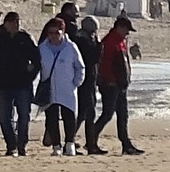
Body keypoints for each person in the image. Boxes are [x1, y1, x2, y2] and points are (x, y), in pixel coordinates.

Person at [0, 12, 40, 156]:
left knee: (24, 116)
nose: (15, 24)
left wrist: (31, 76)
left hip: (23, 84)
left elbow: (37, 59)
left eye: (17, 22)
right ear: (6, 24)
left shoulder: (25, 38)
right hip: (3, 85)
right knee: (4, 117)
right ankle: (11, 145)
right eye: (12, 22)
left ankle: (21, 145)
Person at [87, 16, 141, 155]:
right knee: (107, 114)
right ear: (119, 28)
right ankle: (91, 141)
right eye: (126, 30)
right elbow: (103, 64)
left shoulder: (121, 41)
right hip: (110, 84)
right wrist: (107, 80)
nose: (128, 33)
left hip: (120, 84)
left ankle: (126, 144)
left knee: (123, 115)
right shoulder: (109, 42)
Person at [37, 18, 86, 155]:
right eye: (50, 32)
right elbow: (37, 66)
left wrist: (76, 82)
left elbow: (80, 66)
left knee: (69, 115)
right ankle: (56, 146)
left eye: (56, 32)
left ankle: (70, 144)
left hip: (67, 87)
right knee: (51, 117)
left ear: (63, 32)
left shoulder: (70, 47)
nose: (53, 36)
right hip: (50, 88)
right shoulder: (43, 48)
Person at [72, 17, 101, 151]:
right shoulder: (85, 42)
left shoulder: (80, 39)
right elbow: (94, 58)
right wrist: (99, 45)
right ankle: (86, 142)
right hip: (86, 80)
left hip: (87, 79)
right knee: (87, 112)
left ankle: (79, 140)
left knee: (86, 112)